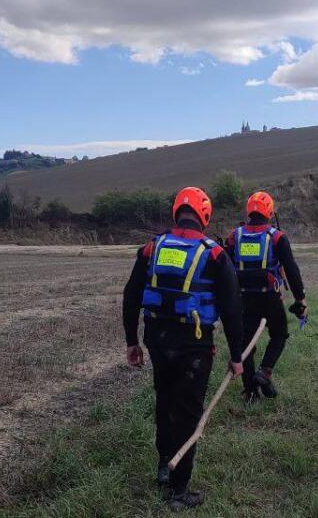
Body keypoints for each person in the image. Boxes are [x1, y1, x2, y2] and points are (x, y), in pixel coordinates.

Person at [122, 186, 246, 511]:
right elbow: (232, 309)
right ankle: (179, 491)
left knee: (164, 400)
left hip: (158, 341)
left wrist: (131, 341)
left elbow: (131, 295)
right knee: (189, 412)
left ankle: (165, 465)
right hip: (194, 345)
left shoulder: (152, 248)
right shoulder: (215, 253)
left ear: (176, 212)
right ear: (205, 216)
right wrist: (237, 356)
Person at [222, 191, 307, 402]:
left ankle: (251, 392)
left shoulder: (235, 237)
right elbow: (291, 269)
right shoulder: (277, 237)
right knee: (279, 335)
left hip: (243, 299)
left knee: (246, 345)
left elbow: (225, 268)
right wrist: (300, 299)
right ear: (269, 212)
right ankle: (265, 371)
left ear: (249, 211)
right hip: (270, 298)